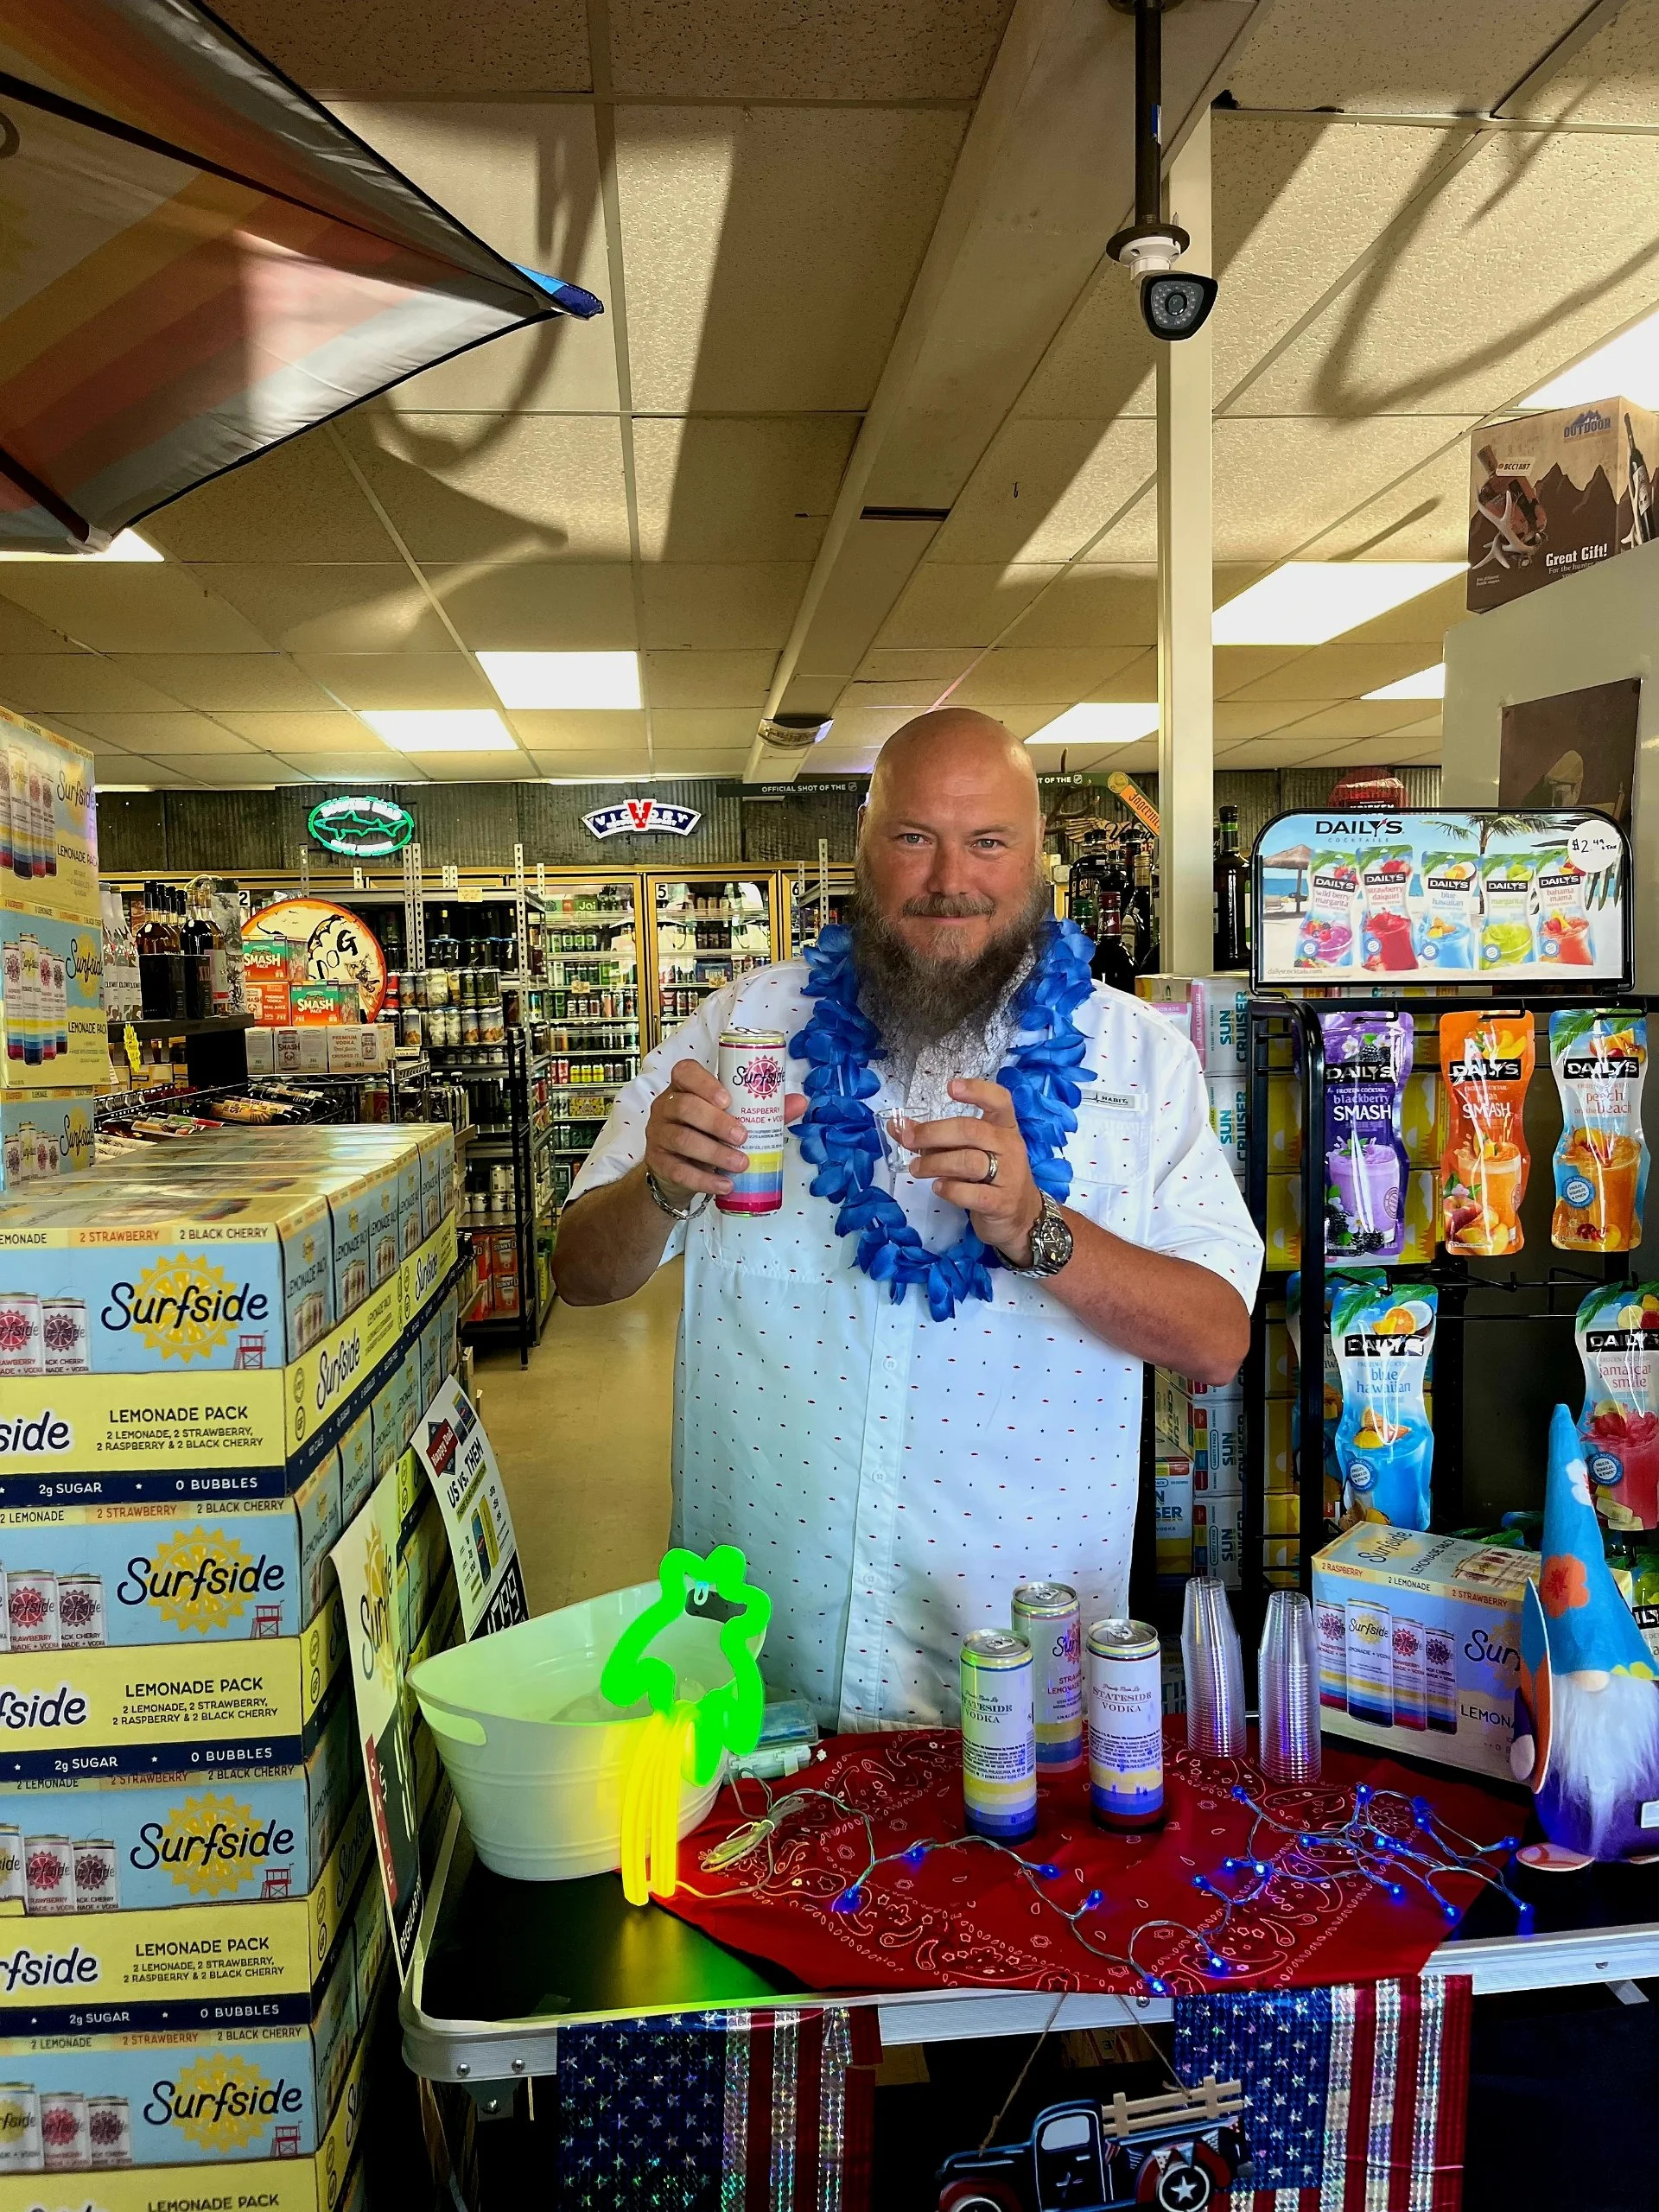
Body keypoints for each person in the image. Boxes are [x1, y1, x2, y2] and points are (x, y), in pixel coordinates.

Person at [554, 709, 1262, 1728]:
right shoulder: (739, 1028)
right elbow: (581, 1270)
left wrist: (1035, 1229)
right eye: (914, 836)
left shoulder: (1141, 1062)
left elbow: (1217, 1337)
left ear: (1037, 857)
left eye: (988, 841)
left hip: (1020, 1684)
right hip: (751, 1670)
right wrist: (661, 1184)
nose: (949, 880)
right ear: (863, 847)